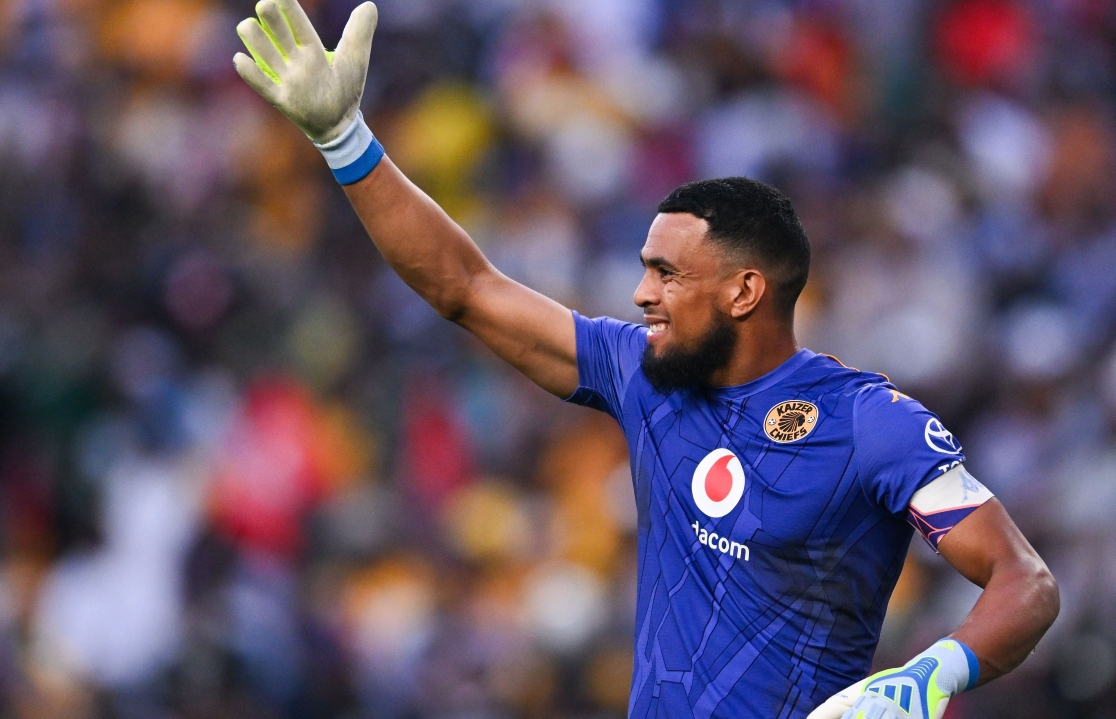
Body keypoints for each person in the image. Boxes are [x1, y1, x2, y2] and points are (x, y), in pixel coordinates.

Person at [231, 2, 1060, 717]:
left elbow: (1024, 581)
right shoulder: (642, 377)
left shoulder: (869, 424)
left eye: (666, 274)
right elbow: (466, 288)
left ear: (742, 291)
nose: (639, 295)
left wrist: (925, 678)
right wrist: (345, 139)